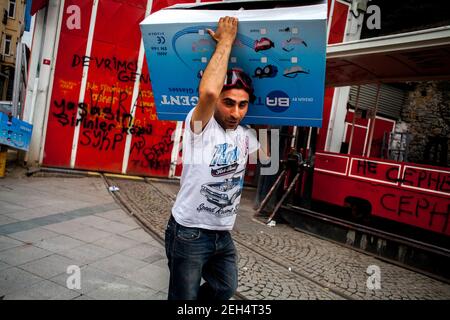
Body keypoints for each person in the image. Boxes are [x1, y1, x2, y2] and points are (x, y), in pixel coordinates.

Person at [164, 16, 265, 300]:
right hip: (189, 233)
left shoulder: (244, 134)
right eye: (229, 102)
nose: (236, 112)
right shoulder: (200, 127)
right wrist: (226, 41)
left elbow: (270, 156)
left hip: (222, 234)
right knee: (184, 299)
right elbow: (208, 91)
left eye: (243, 105)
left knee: (225, 288)